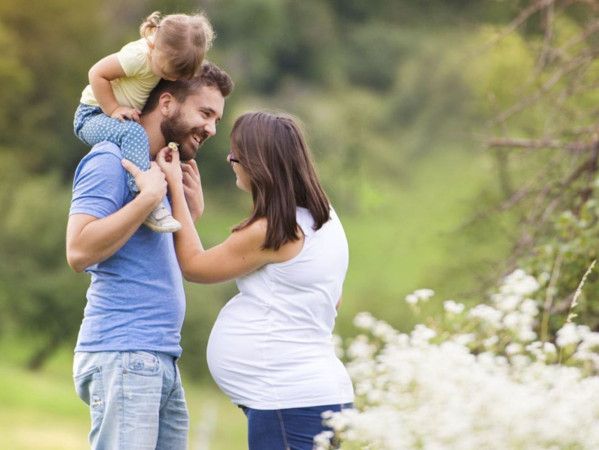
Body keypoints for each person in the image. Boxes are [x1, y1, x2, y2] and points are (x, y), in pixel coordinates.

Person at [125, 111, 354, 449]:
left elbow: (194, 267)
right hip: (311, 396)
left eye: (235, 154)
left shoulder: (274, 230)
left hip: (288, 400)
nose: (231, 161)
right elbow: (332, 300)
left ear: (256, 163)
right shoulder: (325, 221)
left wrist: (173, 185)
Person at [66, 61, 234, 450]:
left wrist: (187, 212)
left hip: (159, 356)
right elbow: (77, 251)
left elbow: (149, 253)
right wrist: (149, 199)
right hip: (123, 351)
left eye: (216, 120)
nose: (211, 129)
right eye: (205, 113)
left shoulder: (157, 171)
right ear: (167, 102)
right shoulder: (111, 159)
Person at [73, 10, 214, 232]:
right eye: (167, 72)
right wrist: (114, 108)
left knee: (138, 138)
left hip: (108, 115)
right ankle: (145, 195)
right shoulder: (138, 57)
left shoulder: (164, 56)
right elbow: (96, 73)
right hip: (92, 114)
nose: (170, 78)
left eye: (178, 77)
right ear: (154, 46)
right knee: (133, 133)